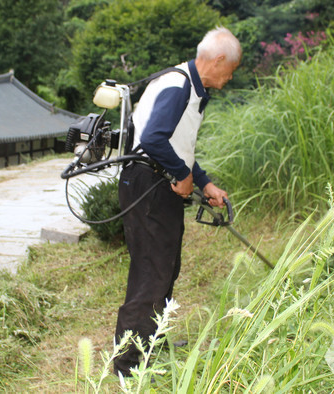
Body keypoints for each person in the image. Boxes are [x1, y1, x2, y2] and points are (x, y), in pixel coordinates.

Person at [113, 27, 242, 377]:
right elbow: (153, 139)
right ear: (217, 61)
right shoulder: (179, 85)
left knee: (166, 266)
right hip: (148, 184)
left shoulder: (189, 86)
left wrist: (203, 182)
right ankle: (129, 366)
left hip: (154, 181)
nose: (229, 78)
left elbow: (177, 144)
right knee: (151, 271)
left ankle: (151, 340)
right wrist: (181, 177)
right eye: (230, 70)